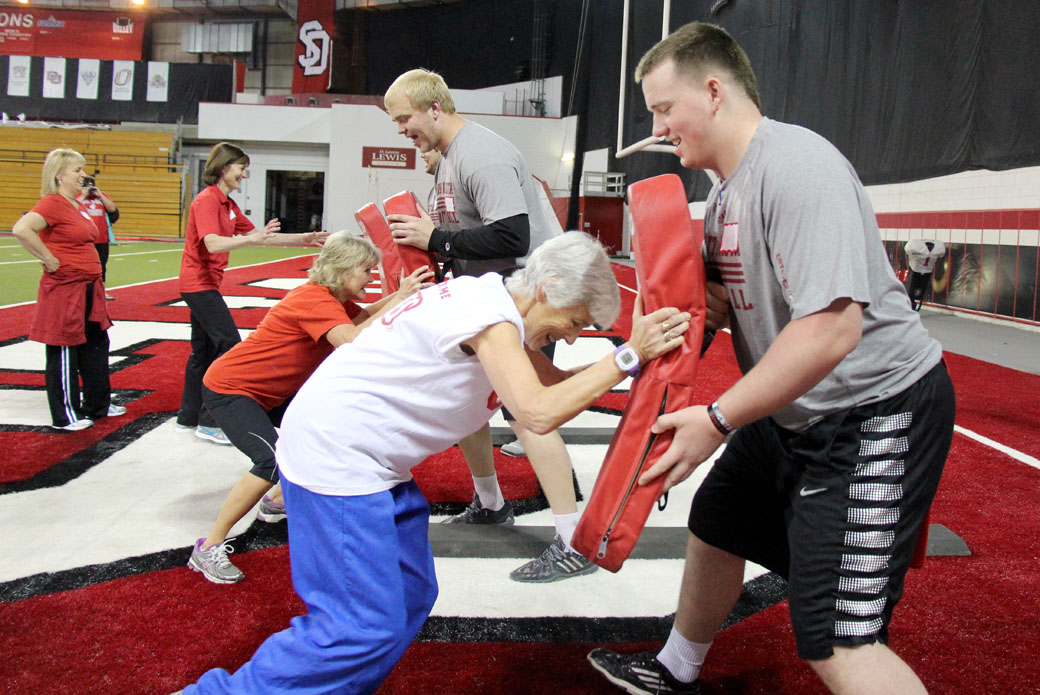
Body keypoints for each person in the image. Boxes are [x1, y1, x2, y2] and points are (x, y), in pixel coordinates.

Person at [587, 22, 955, 695]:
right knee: (719, 518)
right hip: (798, 404)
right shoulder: (726, 190)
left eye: (664, 108)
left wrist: (719, 418)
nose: (658, 127)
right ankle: (676, 666)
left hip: (872, 407)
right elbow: (709, 312)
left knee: (837, 637)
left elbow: (832, 332)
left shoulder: (796, 167)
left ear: (714, 90)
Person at [176, 231, 691, 695]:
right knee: (360, 624)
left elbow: (554, 388)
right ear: (547, 287)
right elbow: (536, 413)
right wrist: (628, 358)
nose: (574, 336)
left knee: (409, 596)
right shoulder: (490, 317)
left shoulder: (491, 302)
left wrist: (637, 368)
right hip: (338, 458)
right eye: (575, 321)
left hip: (368, 459)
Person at [385, 68, 594, 582]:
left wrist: (438, 239)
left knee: (529, 413)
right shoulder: (452, 158)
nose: (400, 131)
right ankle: (491, 500)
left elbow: (511, 237)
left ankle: (574, 538)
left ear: (435, 107)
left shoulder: (479, 151)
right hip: (493, 298)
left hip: (528, 299)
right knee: (466, 401)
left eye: (404, 118)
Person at [187, 233, 433, 584]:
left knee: (320, 432)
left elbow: (363, 315)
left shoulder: (331, 297)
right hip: (232, 389)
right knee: (270, 461)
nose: (372, 278)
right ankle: (209, 545)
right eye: (366, 271)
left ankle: (274, 502)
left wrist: (401, 294)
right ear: (343, 270)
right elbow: (351, 341)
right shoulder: (314, 300)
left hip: (268, 389)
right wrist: (400, 300)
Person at [175, 141, 329, 446]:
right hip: (198, 284)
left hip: (205, 283)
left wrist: (305, 238)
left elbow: (264, 238)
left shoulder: (228, 205)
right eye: (241, 167)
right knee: (229, 344)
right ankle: (209, 421)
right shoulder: (207, 201)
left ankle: (189, 416)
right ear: (223, 167)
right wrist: (250, 238)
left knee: (203, 351)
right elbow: (214, 244)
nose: (244, 174)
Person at [11, 148, 127, 431]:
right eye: (77, 170)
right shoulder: (52, 203)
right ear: (59, 175)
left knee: (96, 345)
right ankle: (65, 415)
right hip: (66, 289)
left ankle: (97, 403)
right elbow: (22, 229)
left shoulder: (75, 204)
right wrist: (48, 259)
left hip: (88, 288)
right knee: (64, 347)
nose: (82, 175)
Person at [77, 175, 118, 300]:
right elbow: (72, 209)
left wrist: (100, 194)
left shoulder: (101, 196)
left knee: (101, 266)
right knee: (82, 267)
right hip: (83, 239)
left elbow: (112, 209)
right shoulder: (76, 197)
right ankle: (81, 292)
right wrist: (83, 195)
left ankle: (101, 291)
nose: (89, 188)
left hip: (101, 238)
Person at [904, 238, 946, 311]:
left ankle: (911, 305)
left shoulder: (914, 247)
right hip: (925, 271)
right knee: (915, 290)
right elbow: (941, 254)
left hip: (918, 270)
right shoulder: (937, 249)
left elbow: (907, 250)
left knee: (912, 290)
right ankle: (912, 304)